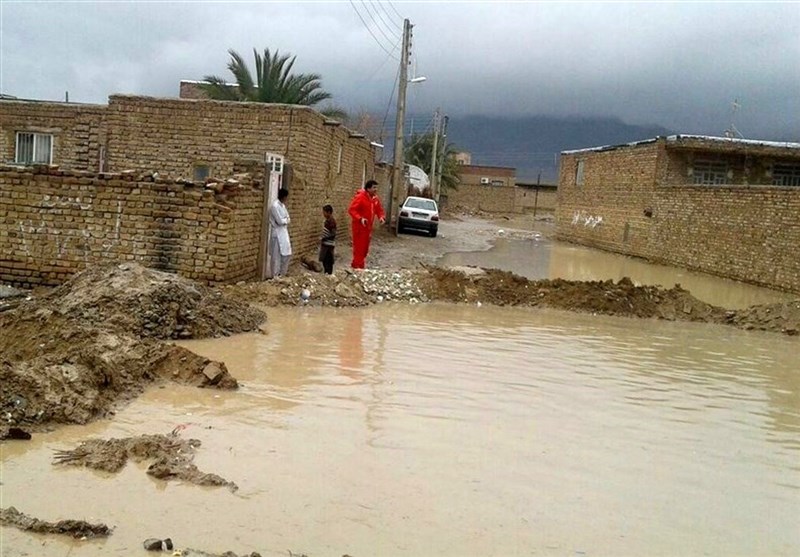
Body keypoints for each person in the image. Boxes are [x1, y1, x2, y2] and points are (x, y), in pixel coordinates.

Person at [348, 180, 385, 269]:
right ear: (368, 189)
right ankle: (359, 268)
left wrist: (381, 217)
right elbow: (352, 210)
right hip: (359, 228)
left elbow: (379, 210)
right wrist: (360, 218)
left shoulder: (375, 199)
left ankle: (355, 266)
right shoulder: (361, 197)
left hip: (368, 228)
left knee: (365, 250)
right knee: (359, 249)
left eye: (376, 187)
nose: (376, 190)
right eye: (374, 188)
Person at [269, 187, 292, 277]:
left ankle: (282, 274)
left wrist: (284, 220)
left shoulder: (283, 206)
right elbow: (279, 221)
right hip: (277, 234)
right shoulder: (275, 206)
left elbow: (288, 218)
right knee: (275, 257)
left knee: (286, 253)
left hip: (284, 233)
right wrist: (284, 220)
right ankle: (274, 276)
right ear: (283, 197)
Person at [319, 204, 337, 275]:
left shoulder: (331, 222)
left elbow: (333, 234)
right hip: (326, 244)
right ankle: (327, 273)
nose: (323, 214)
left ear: (329, 212)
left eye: (324, 212)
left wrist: (323, 238)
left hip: (328, 245)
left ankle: (328, 274)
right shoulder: (328, 221)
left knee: (328, 261)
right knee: (325, 260)